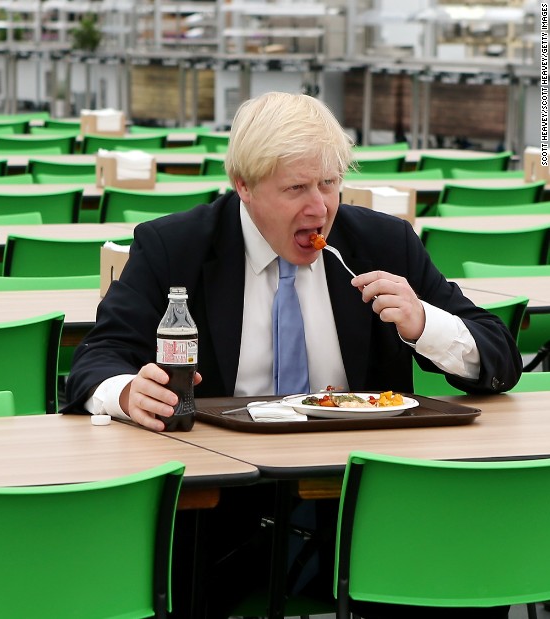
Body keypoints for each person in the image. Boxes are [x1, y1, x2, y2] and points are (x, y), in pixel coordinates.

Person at [65, 92, 521, 618]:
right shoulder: (175, 247)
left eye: (329, 184)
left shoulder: (381, 241)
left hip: (364, 497)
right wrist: (126, 392)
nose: (320, 207)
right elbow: (96, 360)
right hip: (223, 506)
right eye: (296, 189)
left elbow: (499, 357)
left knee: (464, 576)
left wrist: (425, 324)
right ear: (244, 188)